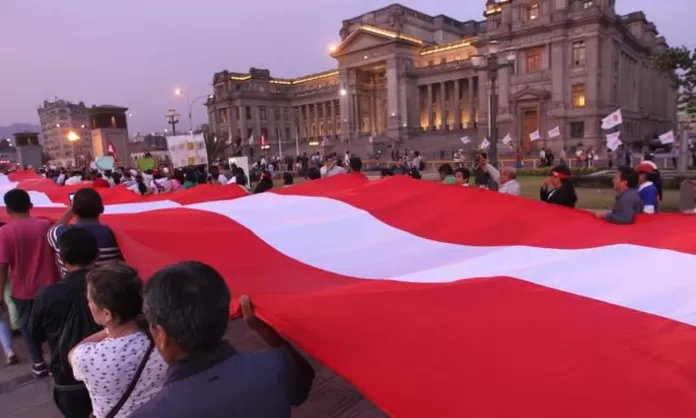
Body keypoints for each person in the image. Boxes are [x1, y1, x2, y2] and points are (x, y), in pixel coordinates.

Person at [131, 262, 314, 418]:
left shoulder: (150, 413)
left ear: (161, 335)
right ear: (226, 317)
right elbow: (302, 383)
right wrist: (264, 330)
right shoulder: (275, 367)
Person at [69, 263, 167, 418]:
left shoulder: (88, 357)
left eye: (90, 300)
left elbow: (73, 354)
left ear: (107, 314)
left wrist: (108, 330)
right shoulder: (164, 339)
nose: (88, 304)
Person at [30, 228, 102, 417]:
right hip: (107, 373)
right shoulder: (110, 288)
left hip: (67, 379)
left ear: (61, 259)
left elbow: (35, 334)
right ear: (97, 255)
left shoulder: (46, 295)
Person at [0, 189, 59, 375]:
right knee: (52, 324)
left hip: (21, 289)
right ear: (31, 206)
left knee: (27, 327)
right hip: (50, 284)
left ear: (8, 210)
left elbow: (2, 266)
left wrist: (0, 292)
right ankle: (57, 362)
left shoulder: (4, 232)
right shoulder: (46, 225)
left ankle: (38, 362)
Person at [48, 188, 123, 278]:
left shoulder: (60, 234)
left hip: (71, 288)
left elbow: (51, 231)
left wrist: (69, 212)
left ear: (74, 210)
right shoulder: (114, 235)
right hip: (106, 289)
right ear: (102, 209)